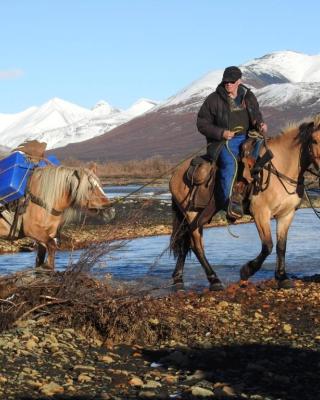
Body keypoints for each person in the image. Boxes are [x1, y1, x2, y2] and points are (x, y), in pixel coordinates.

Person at [196, 65, 267, 219]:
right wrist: (221, 132)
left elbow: (256, 113)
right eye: (226, 81)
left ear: (239, 81)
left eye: (232, 81)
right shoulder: (213, 99)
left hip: (249, 137)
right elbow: (201, 123)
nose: (228, 84)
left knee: (265, 157)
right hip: (224, 141)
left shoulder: (248, 96)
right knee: (230, 165)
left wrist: (260, 123)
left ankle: (258, 197)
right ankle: (229, 204)